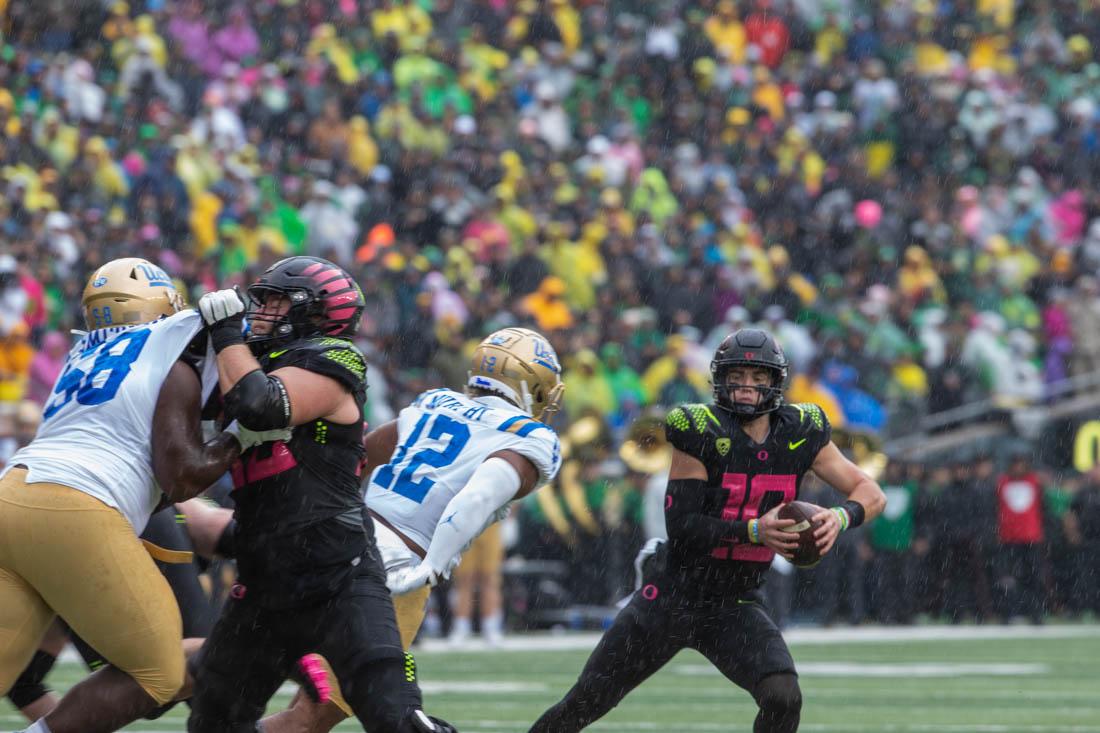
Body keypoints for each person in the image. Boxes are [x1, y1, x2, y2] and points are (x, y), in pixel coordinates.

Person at [529, 328, 886, 733]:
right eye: (737, 377)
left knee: (783, 696)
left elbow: (870, 491)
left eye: (757, 378)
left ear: (775, 382)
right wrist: (755, 530)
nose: (746, 387)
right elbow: (683, 528)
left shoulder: (801, 430)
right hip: (672, 595)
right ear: (720, 379)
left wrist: (840, 518)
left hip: (735, 601)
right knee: (584, 704)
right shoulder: (700, 429)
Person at [189, 256, 456, 733]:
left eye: (276, 301)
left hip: (338, 576)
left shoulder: (334, 358)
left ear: (313, 312)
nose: (263, 310)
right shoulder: (255, 359)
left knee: (395, 717)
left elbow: (260, 405)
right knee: (214, 723)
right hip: (264, 581)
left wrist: (226, 334)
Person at [260, 326, 564, 733]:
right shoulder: (531, 436)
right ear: (532, 385)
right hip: (390, 565)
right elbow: (474, 498)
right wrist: (433, 565)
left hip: (341, 535)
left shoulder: (436, 401)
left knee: (274, 682)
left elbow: (358, 456)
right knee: (318, 712)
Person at [0, 258, 252, 733]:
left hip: (12, 496)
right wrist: (241, 439)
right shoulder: (170, 357)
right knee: (158, 674)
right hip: (77, 508)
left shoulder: (82, 358)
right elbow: (180, 480)